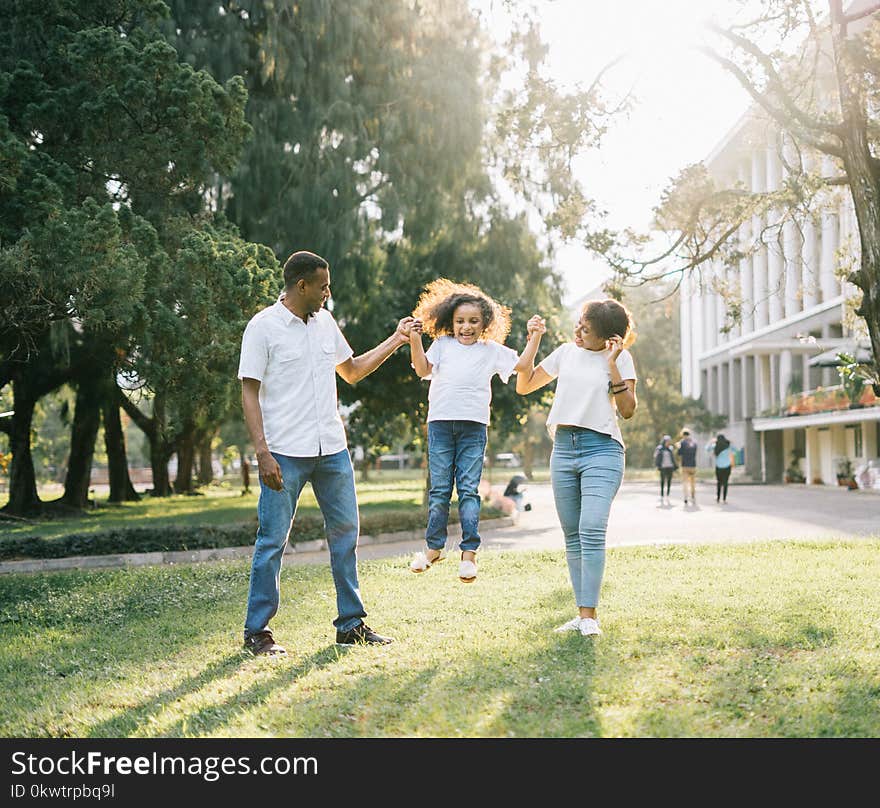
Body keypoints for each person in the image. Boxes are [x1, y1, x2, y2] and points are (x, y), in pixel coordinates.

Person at [238, 250, 416, 656]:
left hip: (332, 449)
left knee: (345, 535)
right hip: (284, 452)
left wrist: (397, 339)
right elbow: (248, 392)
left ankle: (350, 625)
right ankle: (257, 631)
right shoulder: (263, 327)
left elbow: (351, 370)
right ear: (301, 285)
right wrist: (262, 453)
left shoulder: (325, 322)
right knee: (272, 541)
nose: (328, 292)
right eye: (323, 285)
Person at [406, 278, 544, 583]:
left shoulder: (490, 350)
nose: (466, 327)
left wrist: (534, 337)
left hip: (473, 427)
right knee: (440, 491)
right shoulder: (442, 345)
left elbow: (522, 365)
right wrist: (415, 340)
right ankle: (433, 549)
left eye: (473, 321)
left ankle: (469, 555)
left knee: (468, 490)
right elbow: (422, 369)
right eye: (460, 321)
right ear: (450, 322)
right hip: (440, 425)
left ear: (485, 324)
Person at [516, 298, 637, 638]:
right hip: (564, 450)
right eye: (580, 324)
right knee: (573, 536)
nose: (578, 331)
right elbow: (523, 386)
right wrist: (534, 339)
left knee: (592, 528)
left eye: (587, 329)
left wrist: (612, 364)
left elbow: (628, 409)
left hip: (603, 449)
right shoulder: (566, 353)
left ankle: (590, 617)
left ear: (609, 338)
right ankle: (582, 615)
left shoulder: (621, 358)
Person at [710, 433, 735, 503]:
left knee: (719, 482)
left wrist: (711, 442)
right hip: (727, 466)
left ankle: (718, 498)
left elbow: (707, 448)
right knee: (725, 482)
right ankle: (724, 499)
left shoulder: (715, 446)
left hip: (719, 467)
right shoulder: (728, 446)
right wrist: (731, 442)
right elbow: (736, 450)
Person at [676, 428, 698, 505]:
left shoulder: (682, 442)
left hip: (685, 465)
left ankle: (686, 497)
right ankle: (693, 496)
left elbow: (679, 453)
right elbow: (695, 452)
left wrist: (678, 447)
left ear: (683, 435)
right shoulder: (694, 442)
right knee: (692, 482)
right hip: (693, 465)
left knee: (685, 482)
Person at [653, 435, 677, 504]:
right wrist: (657, 464)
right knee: (662, 481)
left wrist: (675, 466)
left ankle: (668, 494)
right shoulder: (659, 448)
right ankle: (662, 494)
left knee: (669, 481)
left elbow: (673, 458)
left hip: (670, 467)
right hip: (663, 467)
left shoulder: (670, 448)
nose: (668, 443)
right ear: (664, 441)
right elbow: (655, 456)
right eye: (667, 441)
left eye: (669, 441)